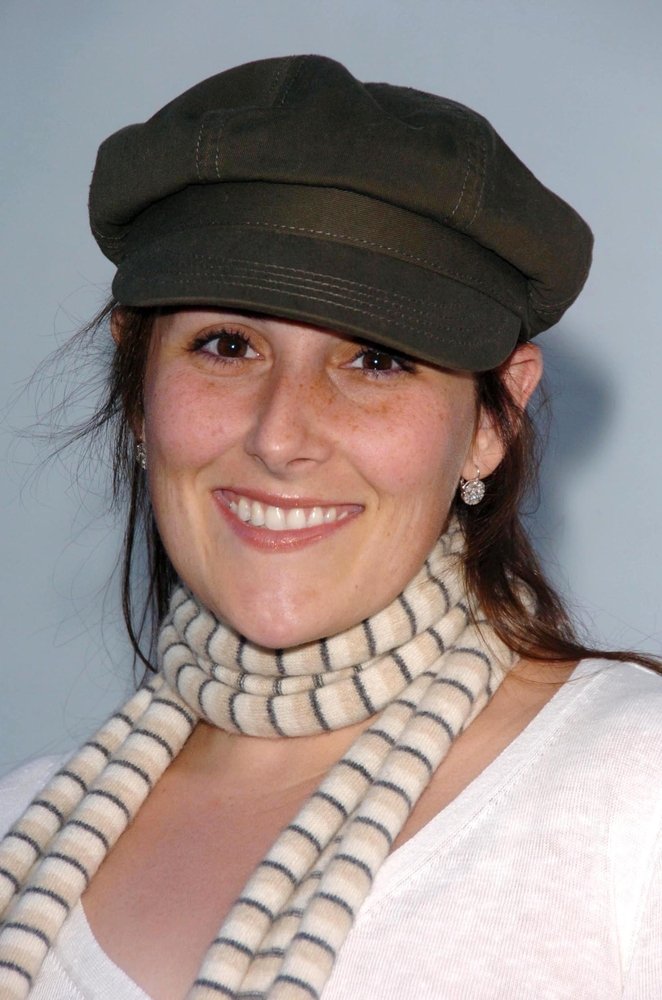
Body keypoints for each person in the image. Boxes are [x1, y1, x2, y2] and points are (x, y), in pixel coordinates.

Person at [0, 54, 660, 1000]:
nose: (280, 435)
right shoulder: (22, 829)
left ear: (492, 420)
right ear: (139, 386)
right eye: (227, 347)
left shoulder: (636, 800)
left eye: (377, 360)